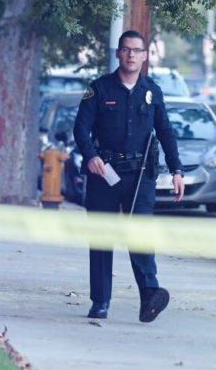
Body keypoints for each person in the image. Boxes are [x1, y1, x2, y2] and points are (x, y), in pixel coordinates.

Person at [72, 30, 185, 323]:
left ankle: (150, 294)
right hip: (105, 174)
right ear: (119, 54)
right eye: (126, 50)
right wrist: (91, 156)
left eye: (137, 50)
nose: (131, 55)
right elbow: (80, 130)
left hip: (141, 176)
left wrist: (177, 170)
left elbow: (165, 132)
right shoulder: (99, 89)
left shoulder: (152, 91)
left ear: (145, 56)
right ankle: (100, 301)